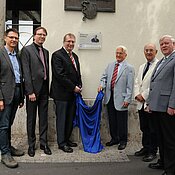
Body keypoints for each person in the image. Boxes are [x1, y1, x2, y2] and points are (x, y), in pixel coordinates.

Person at [20, 27, 52, 157]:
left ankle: (44, 143)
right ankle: (31, 145)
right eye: (40, 34)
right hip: (32, 91)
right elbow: (26, 72)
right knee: (31, 119)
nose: (42, 36)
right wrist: (30, 91)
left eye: (44, 35)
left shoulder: (46, 51)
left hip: (44, 89)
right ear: (34, 36)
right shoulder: (27, 50)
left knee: (44, 118)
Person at [147, 35, 175, 175]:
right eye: (162, 44)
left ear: (173, 44)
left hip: (167, 107)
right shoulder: (162, 61)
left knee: (169, 140)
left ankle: (171, 169)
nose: (164, 46)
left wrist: (173, 105)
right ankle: (163, 162)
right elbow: (154, 84)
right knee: (161, 138)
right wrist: (150, 103)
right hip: (157, 106)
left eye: (166, 43)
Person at [50, 33, 82, 153]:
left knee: (70, 118)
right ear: (64, 42)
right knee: (62, 119)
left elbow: (77, 73)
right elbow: (60, 75)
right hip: (61, 94)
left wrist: (79, 85)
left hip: (72, 94)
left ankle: (67, 139)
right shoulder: (57, 55)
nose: (71, 44)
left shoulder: (75, 56)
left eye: (73, 42)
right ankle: (61, 143)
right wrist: (73, 87)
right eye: (68, 41)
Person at [98, 45, 135, 150]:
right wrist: (102, 85)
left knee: (121, 121)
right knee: (112, 120)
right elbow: (104, 77)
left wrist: (128, 99)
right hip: (110, 98)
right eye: (117, 53)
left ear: (125, 55)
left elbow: (130, 85)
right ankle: (114, 138)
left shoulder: (129, 68)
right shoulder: (110, 65)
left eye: (120, 53)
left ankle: (123, 141)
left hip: (122, 100)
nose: (118, 55)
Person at [0, 28, 24, 168]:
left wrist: (21, 97)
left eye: (16, 38)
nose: (14, 40)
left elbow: (19, 76)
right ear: (5, 38)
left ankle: (8, 146)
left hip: (16, 93)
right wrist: (0, 99)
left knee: (9, 123)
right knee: (3, 125)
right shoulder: (1, 54)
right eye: (11, 37)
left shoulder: (17, 55)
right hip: (5, 95)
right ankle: (5, 154)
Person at [134, 43, 159, 162]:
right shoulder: (142, 66)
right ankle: (145, 147)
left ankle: (152, 151)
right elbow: (137, 82)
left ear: (156, 52)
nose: (148, 52)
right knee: (144, 127)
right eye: (146, 50)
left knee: (152, 129)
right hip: (140, 103)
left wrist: (143, 95)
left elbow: (156, 85)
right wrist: (136, 94)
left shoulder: (158, 65)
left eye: (151, 50)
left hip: (150, 102)